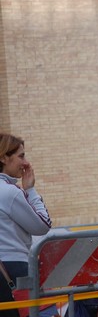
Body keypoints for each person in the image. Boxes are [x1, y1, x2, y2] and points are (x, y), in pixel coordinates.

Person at [0, 133, 57, 317]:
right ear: (3, 157)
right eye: (21, 156)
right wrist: (30, 189)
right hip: (17, 267)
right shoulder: (9, 193)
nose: (25, 163)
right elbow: (42, 224)